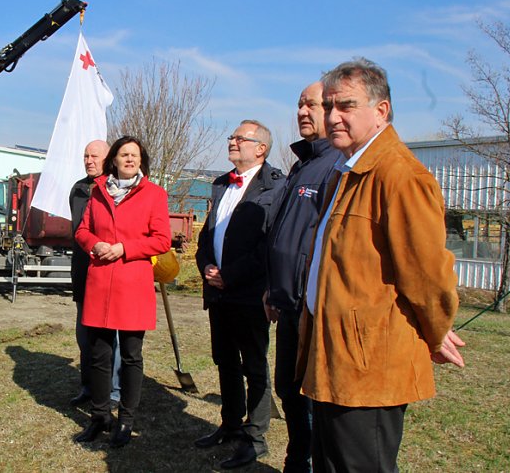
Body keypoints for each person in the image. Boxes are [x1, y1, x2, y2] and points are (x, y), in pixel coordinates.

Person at [300, 58, 465, 472]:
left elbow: (427, 275)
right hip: (334, 356)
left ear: (381, 111)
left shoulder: (400, 176)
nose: (332, 117)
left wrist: (436, 329)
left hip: (369, 364)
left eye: (346, 106)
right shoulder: (347, 170)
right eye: (329, 106)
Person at [194, 120, 285, 469]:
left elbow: (269, 244)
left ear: (260, 148)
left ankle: (255, 437)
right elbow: (207, 234)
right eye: (231, 136)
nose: (231, 141)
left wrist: (229, 275)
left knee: (254, 365)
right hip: (218, 293)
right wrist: (206, 266)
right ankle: (231, 423)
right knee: (225, 361)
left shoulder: (276, 187)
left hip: (250, 294)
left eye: (239, 138)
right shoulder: (220, 184)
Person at [73, 135, 171, 448]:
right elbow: (82, 231)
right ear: (114, 159)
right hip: (100, 281)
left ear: (141, 161)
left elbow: (161, 240)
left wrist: (124, 248)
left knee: (130, 354)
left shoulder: (154, 194)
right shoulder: (98, 191)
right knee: (99, 354)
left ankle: (126, 419)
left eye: (135, 155)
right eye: (124, 155)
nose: (129, 159)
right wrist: (94, 244)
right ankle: (99, 416)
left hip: (133, 283)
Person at [264, 81, 341, 473]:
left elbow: (324, 243)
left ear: (332, 110)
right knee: (289, 391)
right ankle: (297, 462)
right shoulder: (301, 165)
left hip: (311, 309)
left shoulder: (336, 166)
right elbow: (285, 235)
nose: (302, 112)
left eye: (310, 104)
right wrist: (272, 288)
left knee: (309, 399)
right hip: (286, 303)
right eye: (298, 105)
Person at [68, 140, 121, 408]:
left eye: (94, 156)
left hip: (109, 271)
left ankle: (113, 391)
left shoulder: (117, 188)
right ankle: (88, 386)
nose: (89, 160)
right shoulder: (77, 189)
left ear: (108, 157)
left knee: (112, 337)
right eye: (85, 155)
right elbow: (78, 231)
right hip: (82, 270)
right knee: (84, 335)